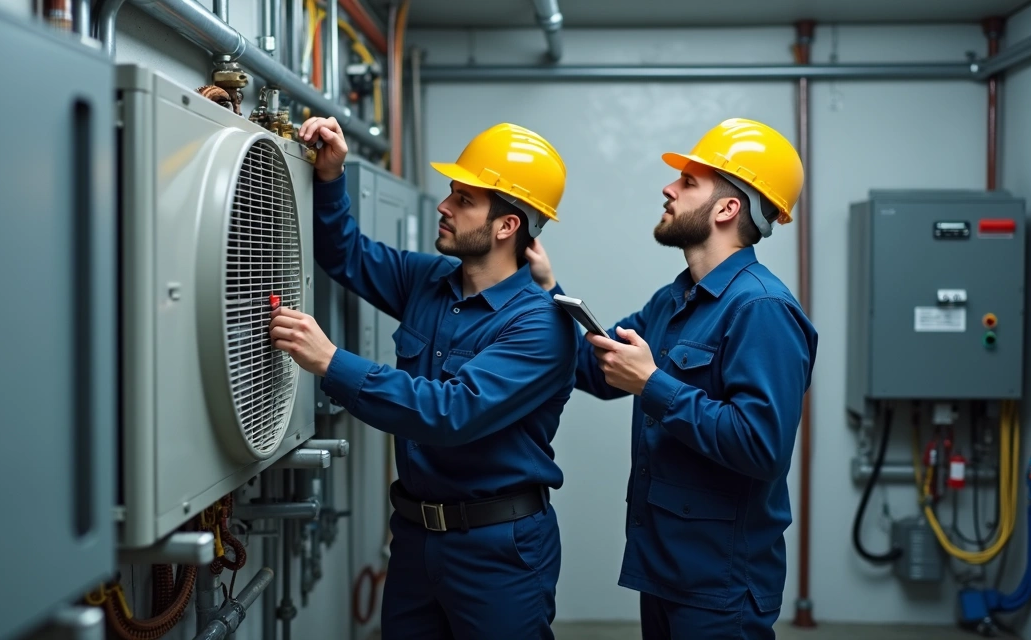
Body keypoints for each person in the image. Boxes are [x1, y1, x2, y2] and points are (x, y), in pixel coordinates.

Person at [268, 116, 577, 639]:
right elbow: (346, 254)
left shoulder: (542, 324)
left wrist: (330, 361)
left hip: (499, 550)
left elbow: (452, 412)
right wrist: (329, 177)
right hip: (415, 539)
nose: (444, 206)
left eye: (464, 199)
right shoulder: (429, 280)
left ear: (507, 227)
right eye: (451, 192)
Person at [528, 117, 819, 639]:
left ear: (728, 209)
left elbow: (763, 447)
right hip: (664, 569)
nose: (669, 188)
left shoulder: (763, 309)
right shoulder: (675, 299)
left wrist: (653, 384)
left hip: (722, 584)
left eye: (688, 183)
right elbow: (599, 371)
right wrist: (548, 291)